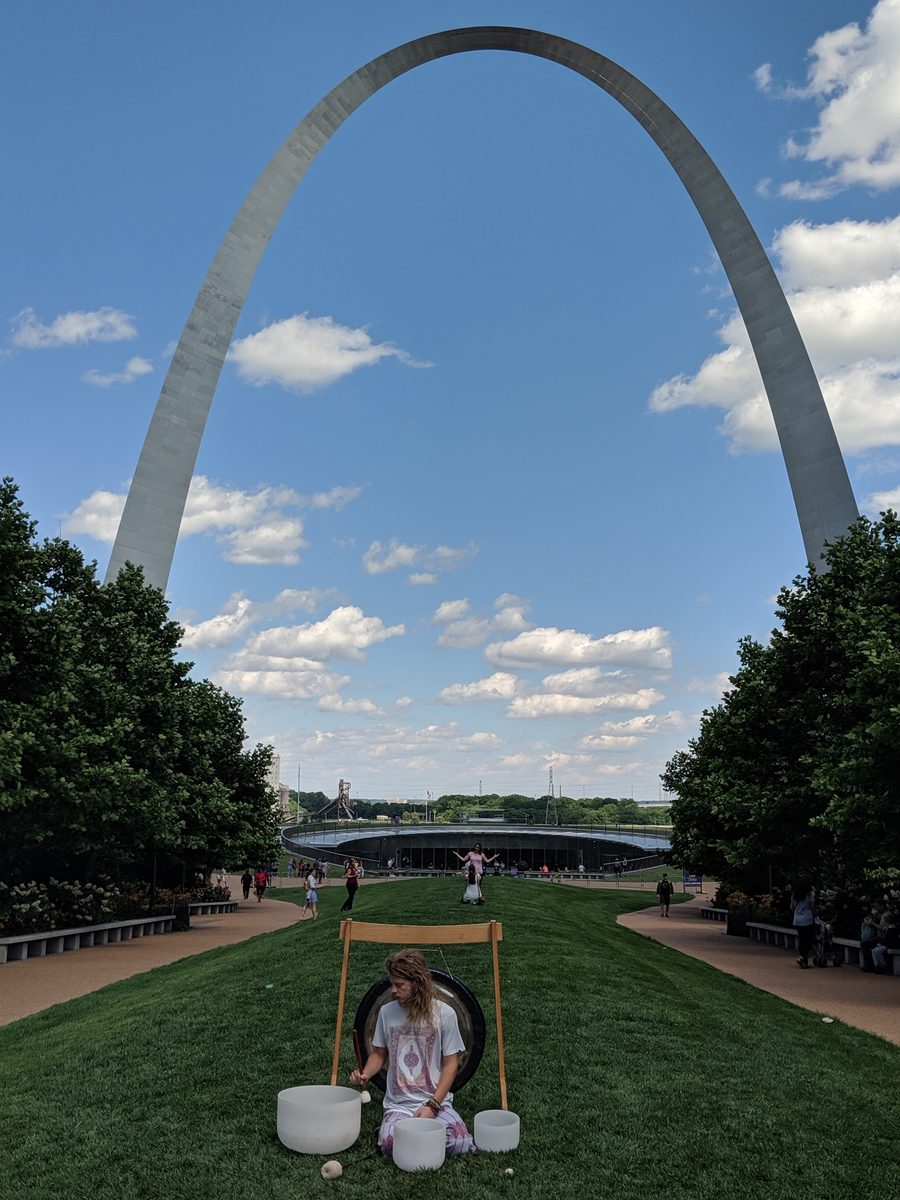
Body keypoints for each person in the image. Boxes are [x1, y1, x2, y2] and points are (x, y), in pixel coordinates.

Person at [349, 949, 474, 1159]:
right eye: (392, 984)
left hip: (436, 1102)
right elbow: (379, 1054)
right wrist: (366, 1073)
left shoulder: (445, 1013)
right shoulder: (386, 1012)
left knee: (461, 1141)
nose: (393, 991)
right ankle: (415, 1139)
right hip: (399, 1104)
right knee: (389, 1143)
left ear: (417, 983)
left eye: (400, 985)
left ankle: (411, 1142)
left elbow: (451, 1064)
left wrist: (432, 1106)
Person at [791, 879, 816, 968]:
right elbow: (812, 907)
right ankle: (802, 956)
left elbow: (792, 907)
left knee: (802, 939)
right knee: (810, 939)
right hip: (807, 920)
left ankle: (803, 958)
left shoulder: (795, 895)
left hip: (797, 920)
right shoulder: (809, 895)